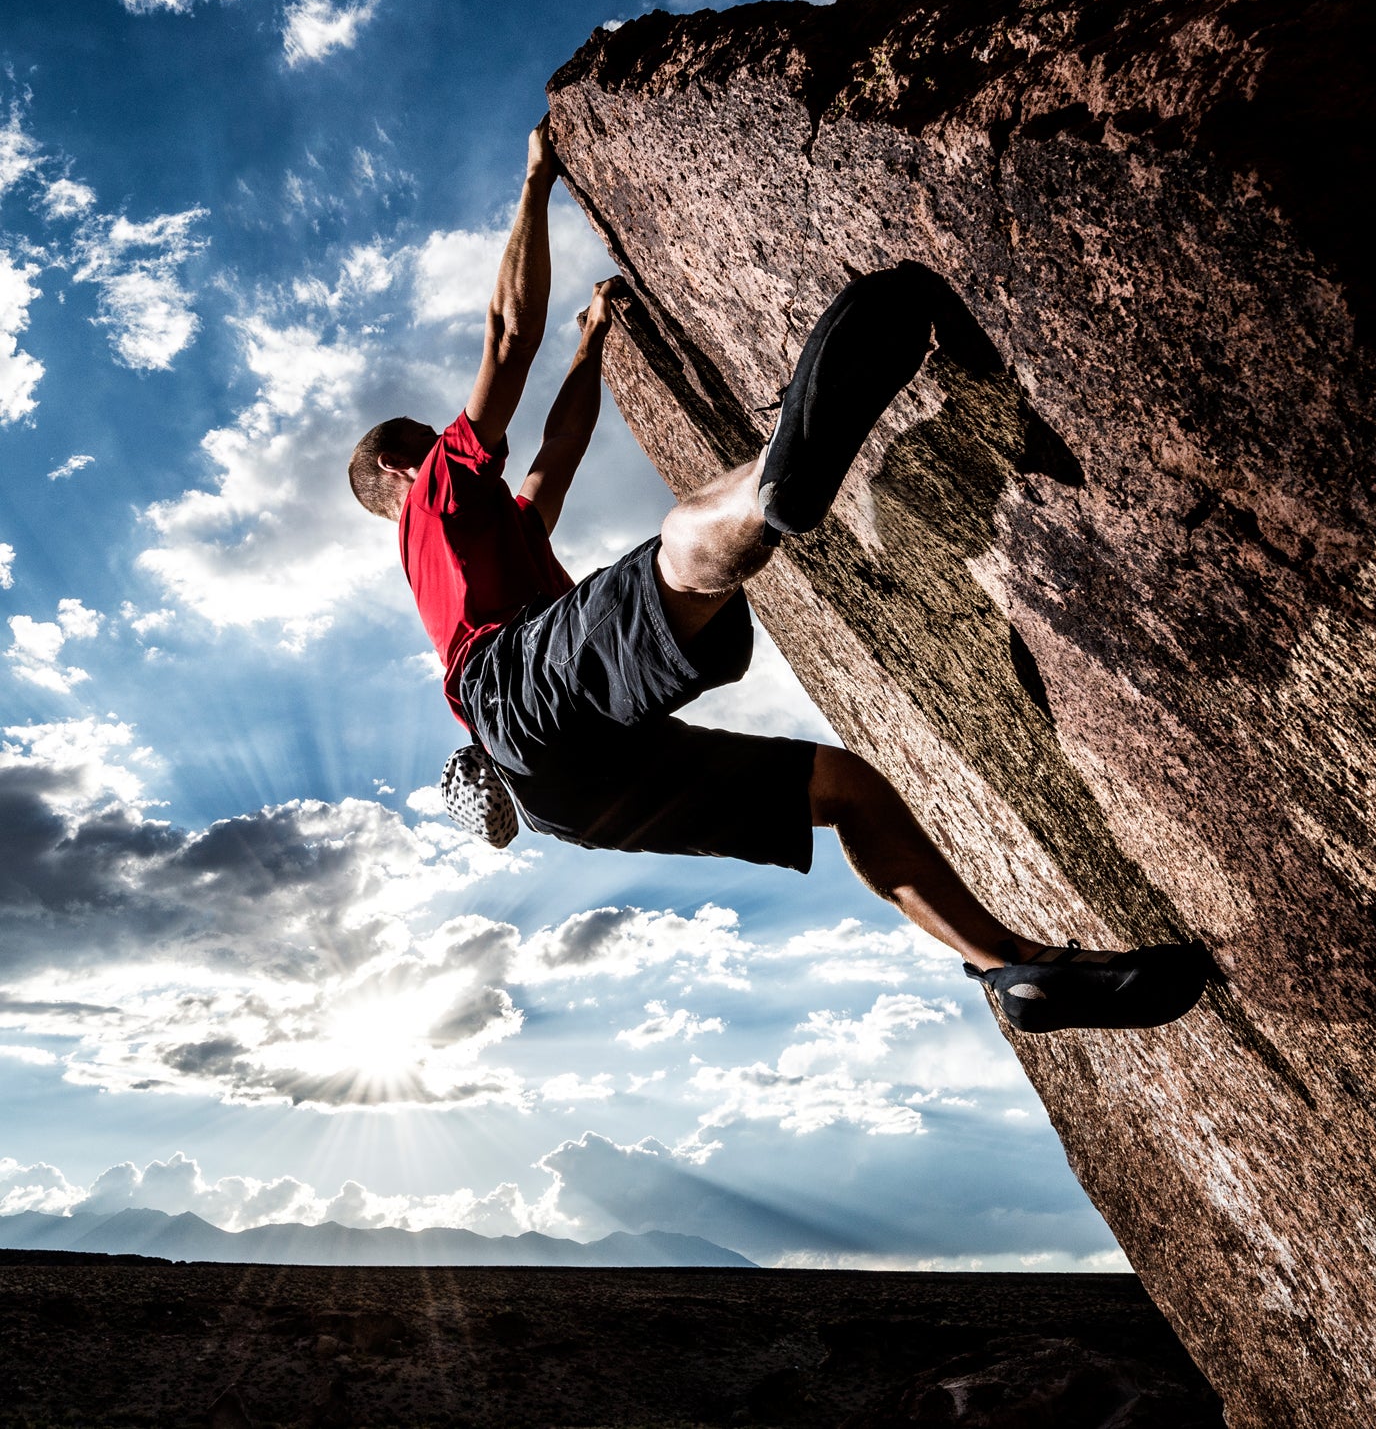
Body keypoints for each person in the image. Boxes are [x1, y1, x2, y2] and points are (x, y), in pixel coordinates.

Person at [348, 118, 1209, 1035]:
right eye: (427, 443)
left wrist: (593, 344)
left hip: (568, 788)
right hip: (518, 690)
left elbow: (550, 465)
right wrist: (534, 182)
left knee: (843, 791)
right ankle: (768, 489)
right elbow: (505, 334)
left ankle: (1013, 972)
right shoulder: (430, 489)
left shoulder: (481, 537)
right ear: (403, 470)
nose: (445, 442)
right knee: (678, 547)